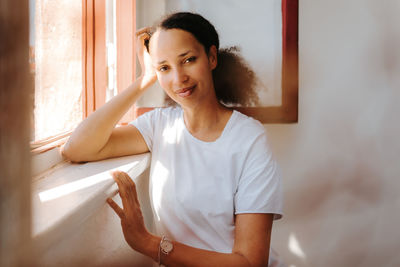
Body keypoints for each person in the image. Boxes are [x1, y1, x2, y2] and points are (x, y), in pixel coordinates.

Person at [63, 12, 283, 267]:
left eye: (188, 60)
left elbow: (250, 262)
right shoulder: (160, 125)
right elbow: (77, 149)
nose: (178, 79)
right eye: (164, 68)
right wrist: (144, 80)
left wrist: (148, 243)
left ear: (212, 57)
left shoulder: (249, 140)